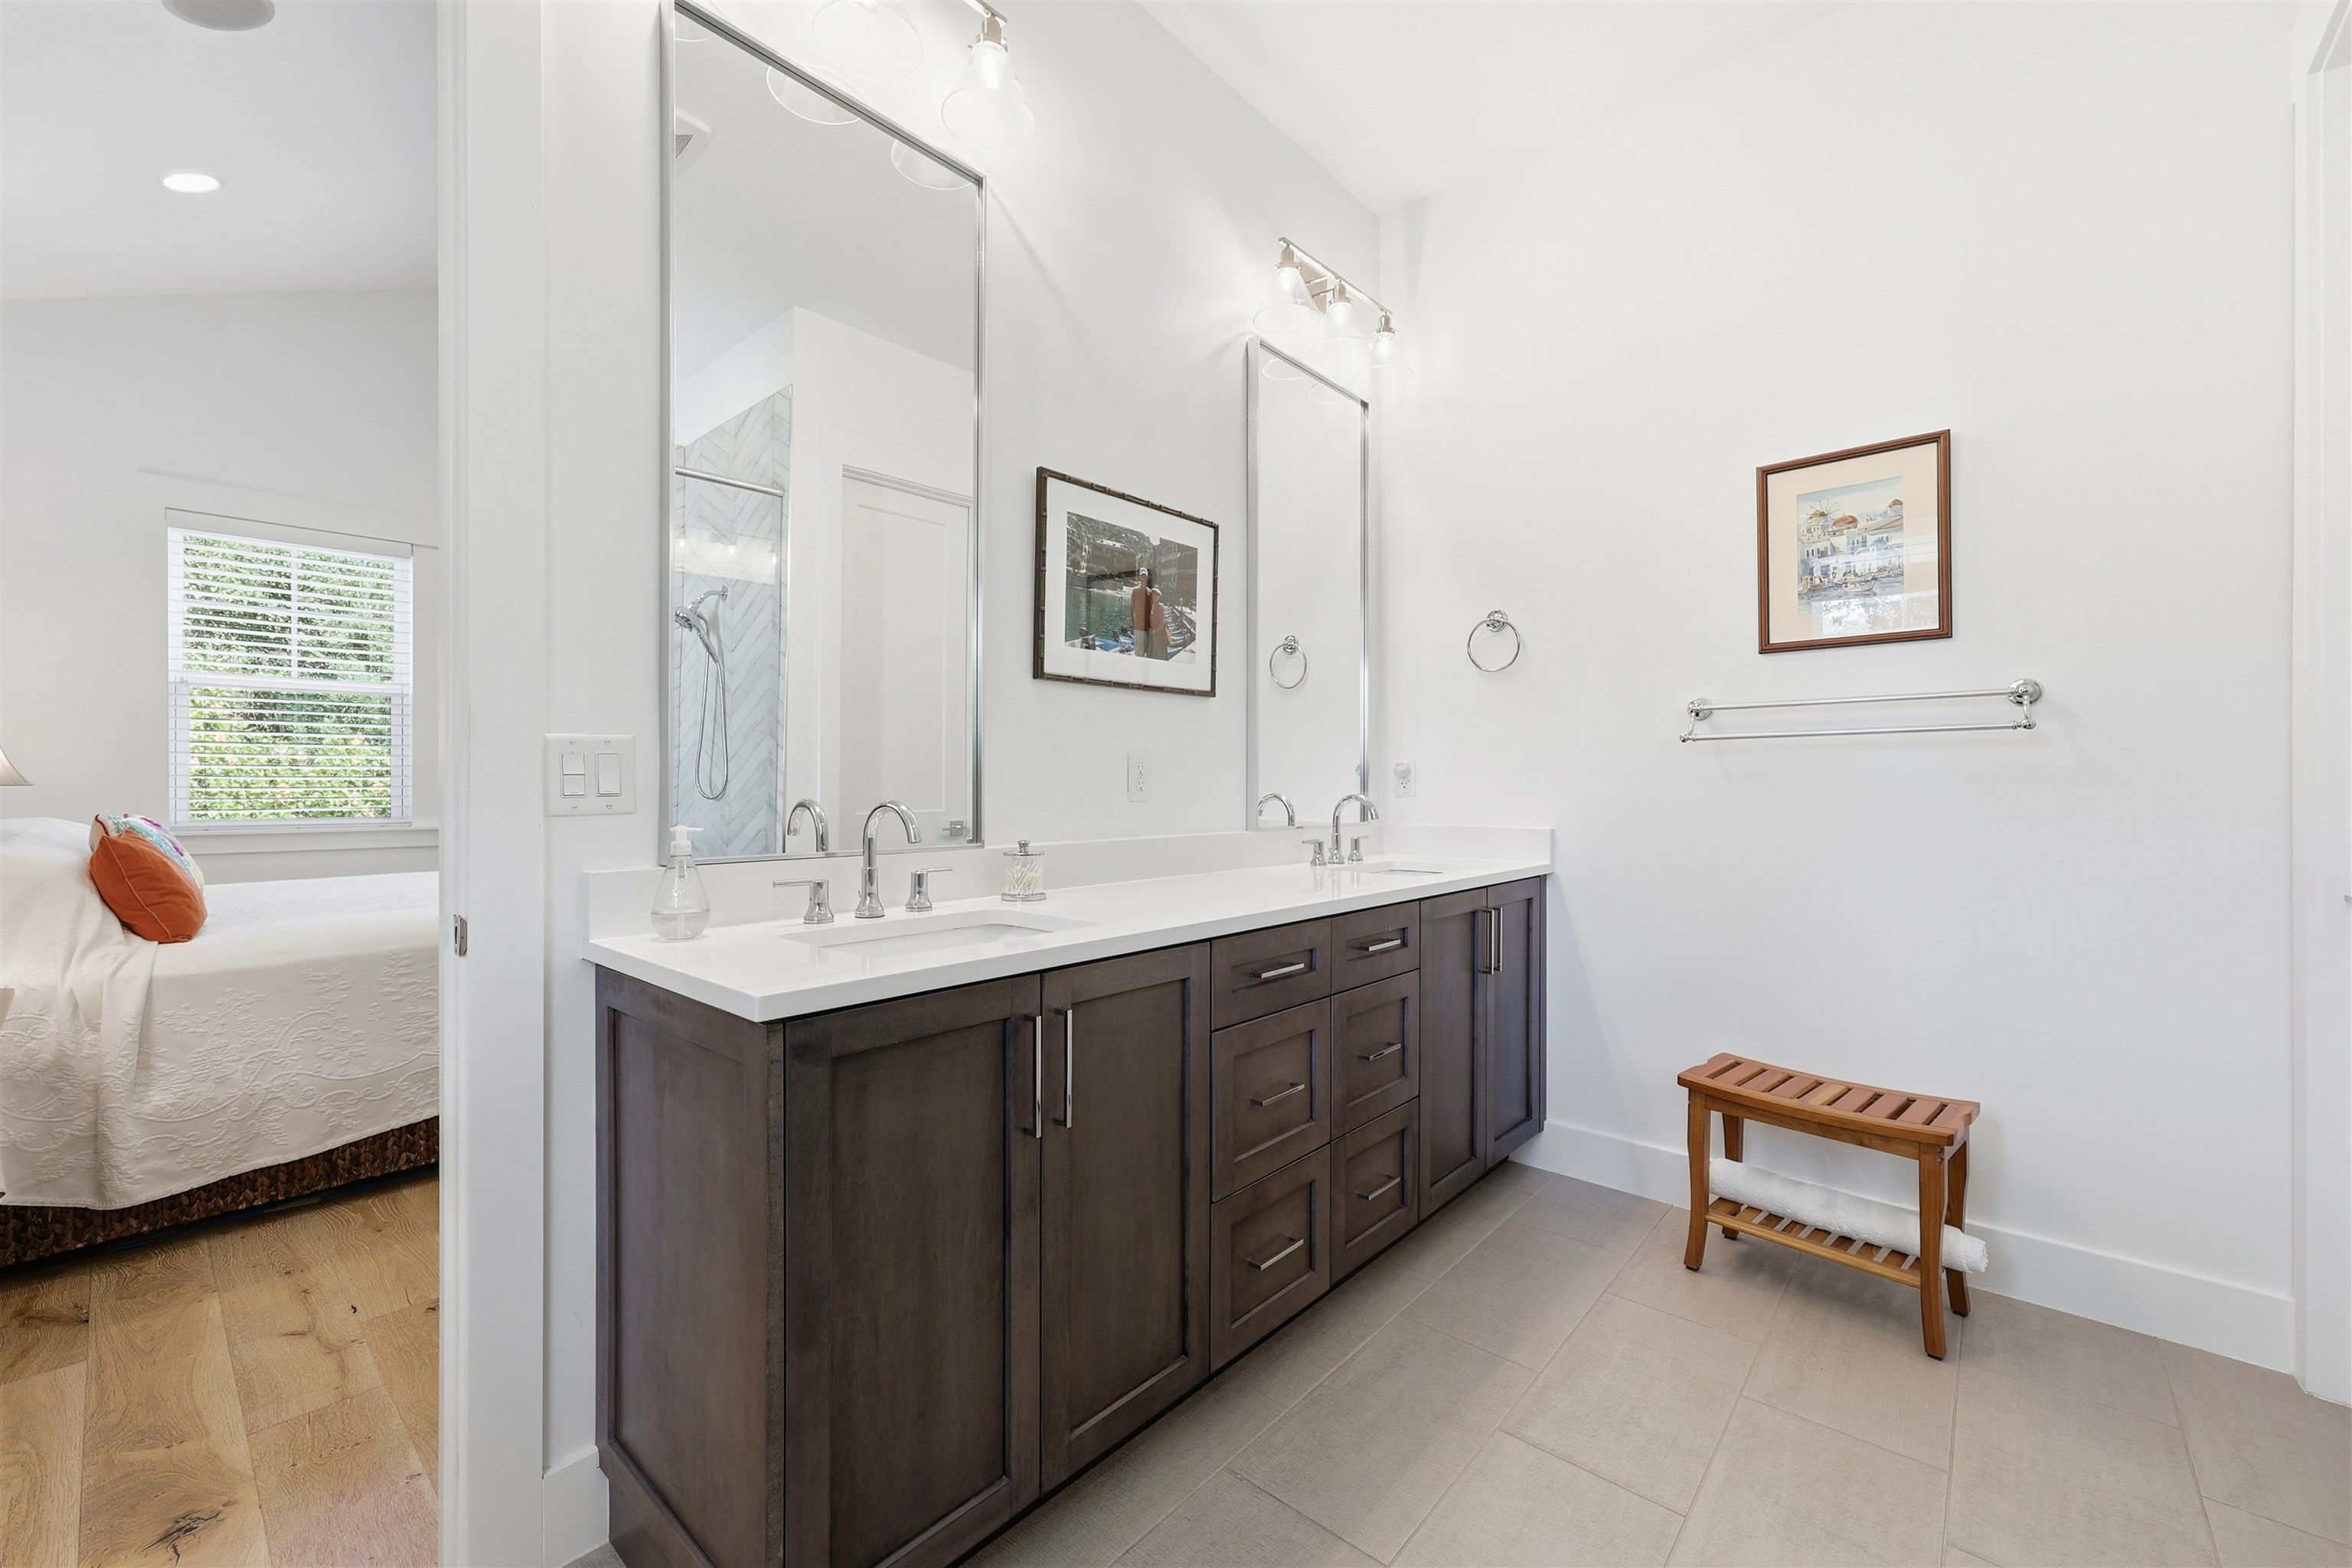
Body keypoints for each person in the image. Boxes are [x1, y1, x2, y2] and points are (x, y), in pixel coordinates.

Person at [1132, 567, 1172, 660]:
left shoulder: (1160, 606)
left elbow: (1162, 623)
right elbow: (1133, 608)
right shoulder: (1152, 606)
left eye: (1156, 595)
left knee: (1156, 657)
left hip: (1157, 636)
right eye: (1153, 594)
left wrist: (1153, 631)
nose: (1154, 596)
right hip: (1149, 634)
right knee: (1148, 655)